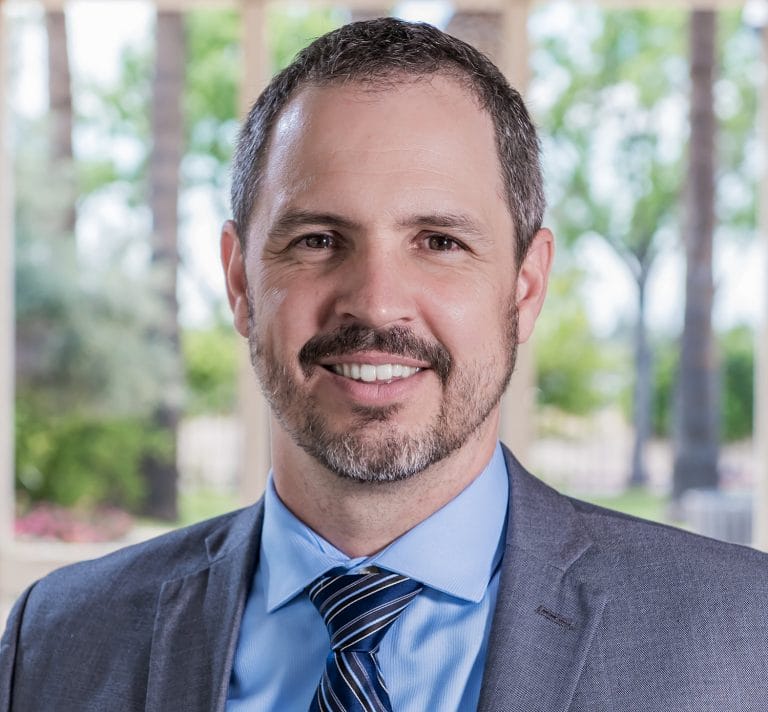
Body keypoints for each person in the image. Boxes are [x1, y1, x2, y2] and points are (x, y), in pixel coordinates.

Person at [2, 17, 767, 712]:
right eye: (317, 240)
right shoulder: (55, 643)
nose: (375, 303)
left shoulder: (743, 633)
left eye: (439, 242)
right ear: (240, 282)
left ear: (526, 287)